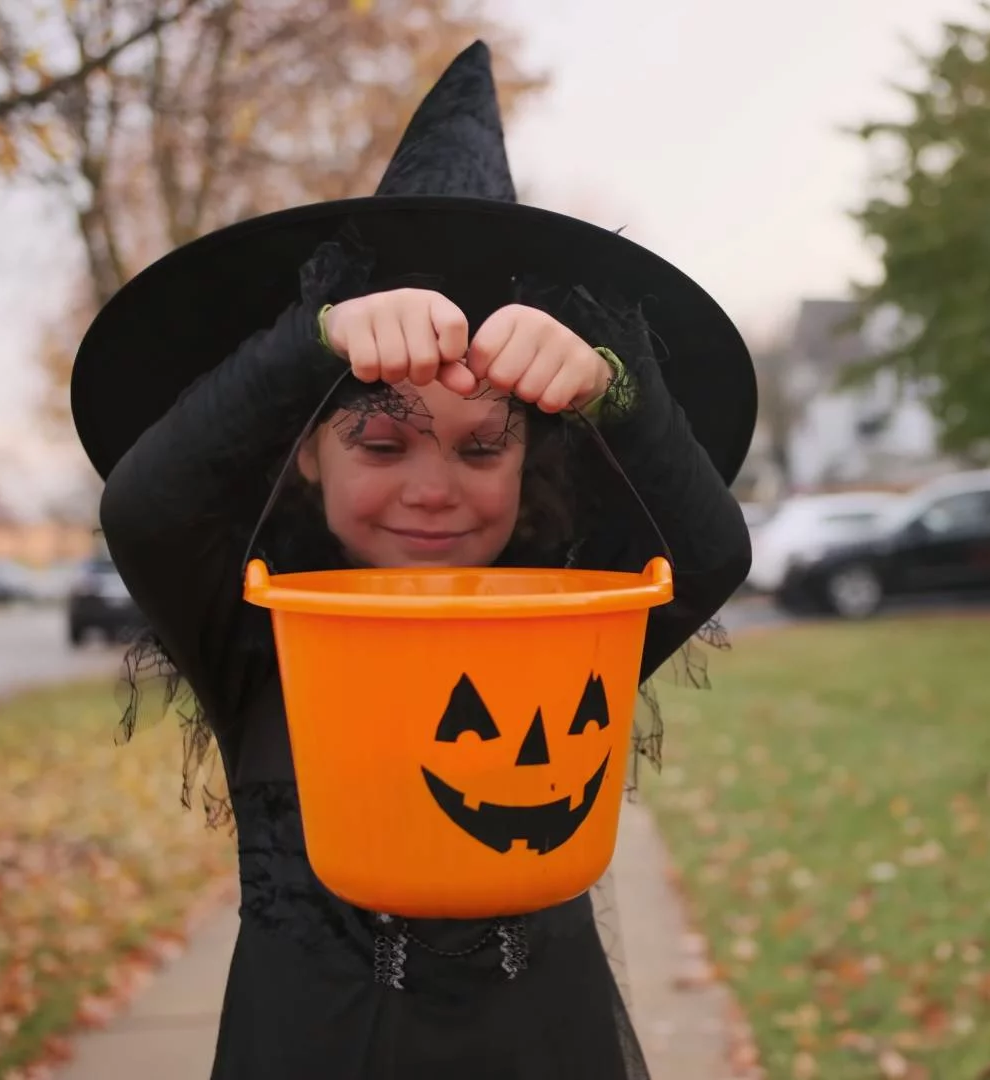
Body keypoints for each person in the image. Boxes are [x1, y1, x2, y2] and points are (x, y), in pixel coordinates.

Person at [68, 41, 756, 1080]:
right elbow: (149, 510)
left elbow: (707, 553)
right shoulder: (258, 631)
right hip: (309, 1046)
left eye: (485, 445)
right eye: (382, 443)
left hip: (550, 1047)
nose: (434, 488)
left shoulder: (577, 612)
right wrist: (316, 339)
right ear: (307, 453)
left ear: (530, 455)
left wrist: (615, 388)